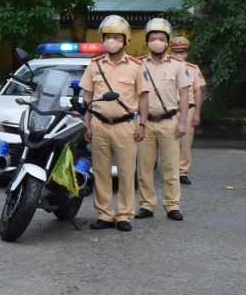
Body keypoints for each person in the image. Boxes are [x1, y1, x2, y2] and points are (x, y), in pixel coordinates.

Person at [79, 15, 144, 232]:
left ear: (125, 40)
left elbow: (143, 98)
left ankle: (125, 214)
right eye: (108, 37)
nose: (112, 41)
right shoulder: (95, 65)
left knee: (126, 173)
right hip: (99, 124)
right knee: (101, 172)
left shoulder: (136, 66)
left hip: (126, 126)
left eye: (117, 37)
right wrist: (86, 123)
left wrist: (142, 124)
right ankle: (105, 214)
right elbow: (87, 97)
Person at [135, 18, 191, 221]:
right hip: (145, 123)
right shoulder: (138, 64)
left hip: (170, 122)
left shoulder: (177, 65)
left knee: (171, 167)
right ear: (147, 41)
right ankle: (147, 205)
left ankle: (172, 205)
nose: (157, 41)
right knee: (144, 168)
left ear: (167, 41)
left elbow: (184, 95)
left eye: (161, 38)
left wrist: (183, 122)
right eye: (153, 38)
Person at [169, 36, 203, 185]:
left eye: (182, 52)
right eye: (176, 51)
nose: (179, 55)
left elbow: (198, 92)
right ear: (171, 52)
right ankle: (169, 171)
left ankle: (182, 172)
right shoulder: (164, 67)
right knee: (167, 141)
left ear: (187, 53)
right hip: (168, 109)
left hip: (187, 109)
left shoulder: (193, 69)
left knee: (185, 143)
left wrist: (197, 113)